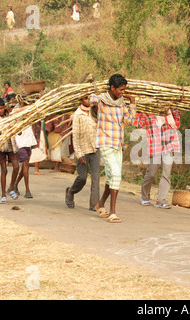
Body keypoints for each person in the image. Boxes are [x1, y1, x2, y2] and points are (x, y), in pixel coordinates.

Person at [90, 74, 136, 223]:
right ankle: (113, 212)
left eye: (124, 90)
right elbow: (87, 99)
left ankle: (100, 204)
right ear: (112, 88)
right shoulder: (101, 100)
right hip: (105, 142)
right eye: (120, 90)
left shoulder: (122, 104)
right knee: (116, 174)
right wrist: (88, 91)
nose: (123, 92)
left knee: (111, 177)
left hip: (118, 144)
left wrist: (133, 103)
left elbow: (128, 121)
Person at [135, 107, 181, 209]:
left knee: (166, 174)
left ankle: (161, 200)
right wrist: (137, 109)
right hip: (154, 146)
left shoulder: (170, 112)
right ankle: (145, 197)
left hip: (169, 145)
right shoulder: (148, 112)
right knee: (151, 173)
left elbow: (177, 125)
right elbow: (137, 124)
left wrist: (172, 111)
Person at [65, 96, 100, 211]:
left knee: (96, 177)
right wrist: (79, 154)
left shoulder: (95, 111)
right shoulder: (77, 115)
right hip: (83, 150)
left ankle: (94, 204)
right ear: (80, 100)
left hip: (95, 149)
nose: (89, 100)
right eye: (86, 98)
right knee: (82, 177)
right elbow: (75, 136)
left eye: (90, 98)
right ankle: (71, 191)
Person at [0, 98, 20, 204]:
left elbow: (18, 130)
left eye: (1, 108)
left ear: (4, 107)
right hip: (0, 146)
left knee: (16, 167)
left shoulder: (10, 116)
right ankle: (3, 194)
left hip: (11, 145)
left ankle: (11, 188)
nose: (0, 111)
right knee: (4, 170)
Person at [12, 103, 37, 199]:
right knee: (26, 165)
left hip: (28, 143)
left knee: (24, 168)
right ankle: (27, 190)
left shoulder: (29, 114)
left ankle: (15, 185)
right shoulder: (16, 112)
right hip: (21, 144)